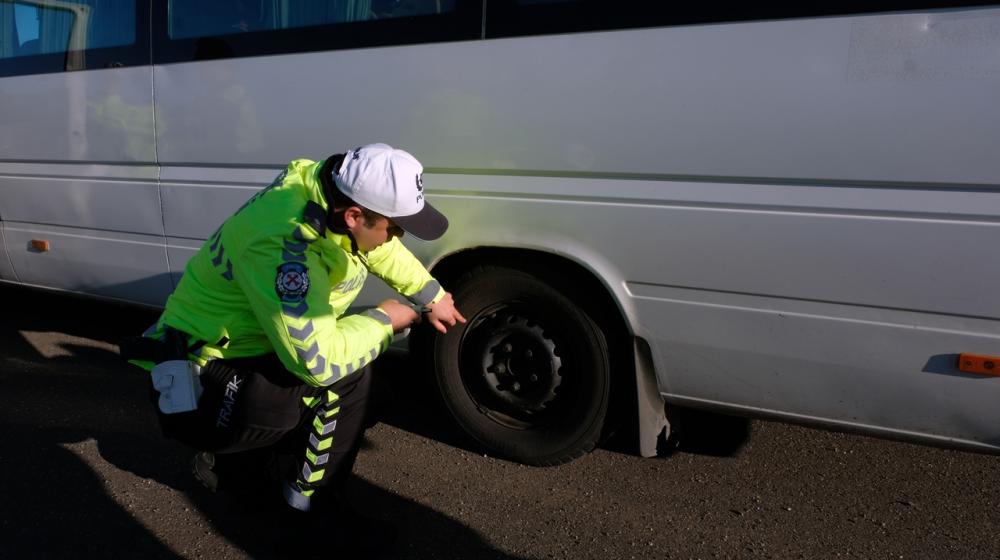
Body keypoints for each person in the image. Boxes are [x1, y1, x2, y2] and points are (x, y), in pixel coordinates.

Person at [125, 143, 465, 527]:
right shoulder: (286, 247)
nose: (398, 237)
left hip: (247, 353)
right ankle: (306, 511)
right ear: (354, 215)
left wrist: (431, 294)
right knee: (349, 380)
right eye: (396, 227)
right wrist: (384, 321)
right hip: (198, 382)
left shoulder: (326, 195)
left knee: (373, 393)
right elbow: (318, 363)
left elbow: (377, 247)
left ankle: (241, 465)